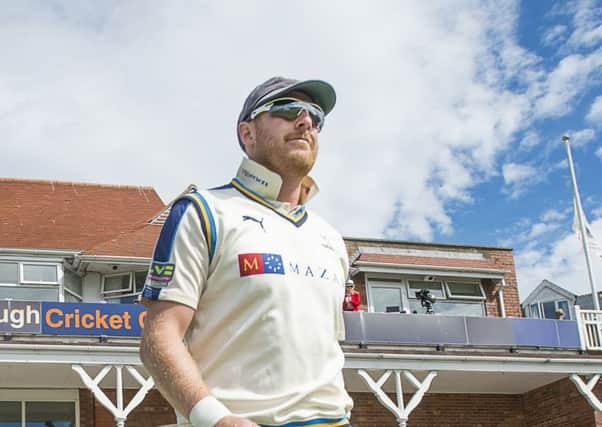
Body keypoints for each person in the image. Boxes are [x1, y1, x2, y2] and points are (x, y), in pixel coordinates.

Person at [140, 76, 353, 427]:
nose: (305, 122)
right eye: (286, 110)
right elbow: (159, 337)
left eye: (316, 116)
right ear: (247, 133)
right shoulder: (204, 211)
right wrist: (215, 419)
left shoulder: (329, 237)